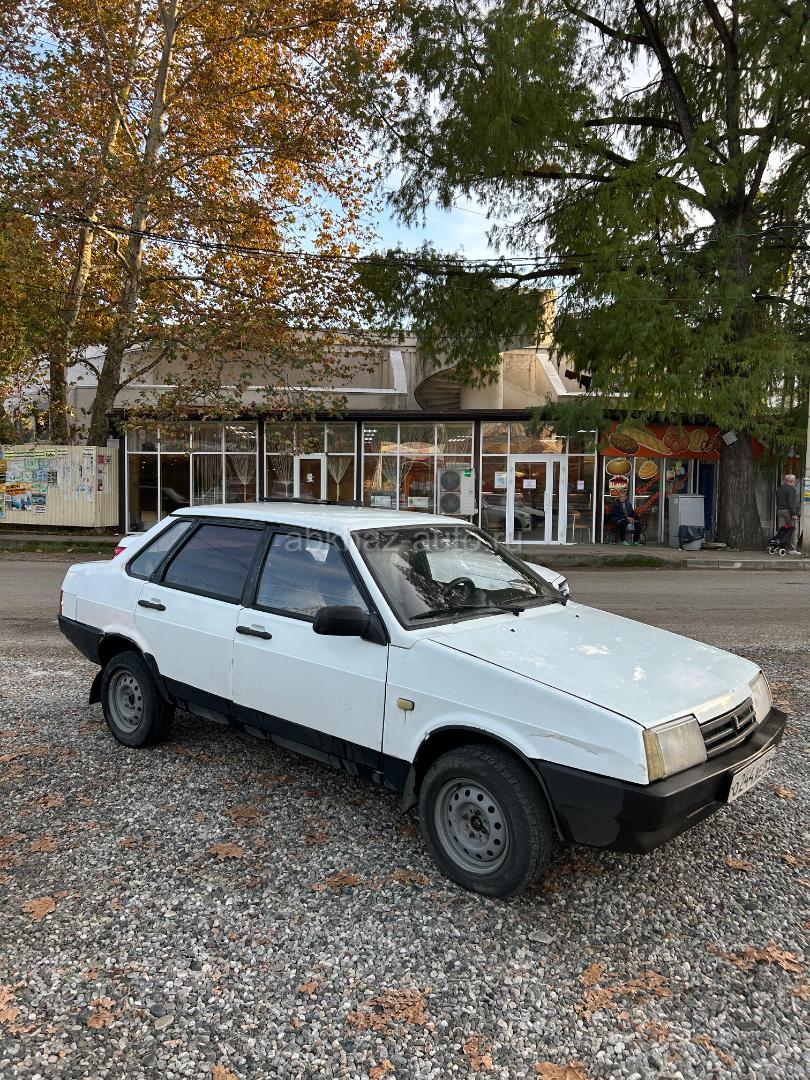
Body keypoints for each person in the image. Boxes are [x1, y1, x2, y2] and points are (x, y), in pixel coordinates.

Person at [775, 473, 801, 554]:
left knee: (782, 529)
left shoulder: (779, 489)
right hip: (788, 512)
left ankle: (780, 547)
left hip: (780, 511)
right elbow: (791, 503)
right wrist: (794, 514)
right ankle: (792, 548)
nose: (795, 482)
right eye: (795, 481)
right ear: (791, 481)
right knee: (793, 529)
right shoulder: (791, 489)